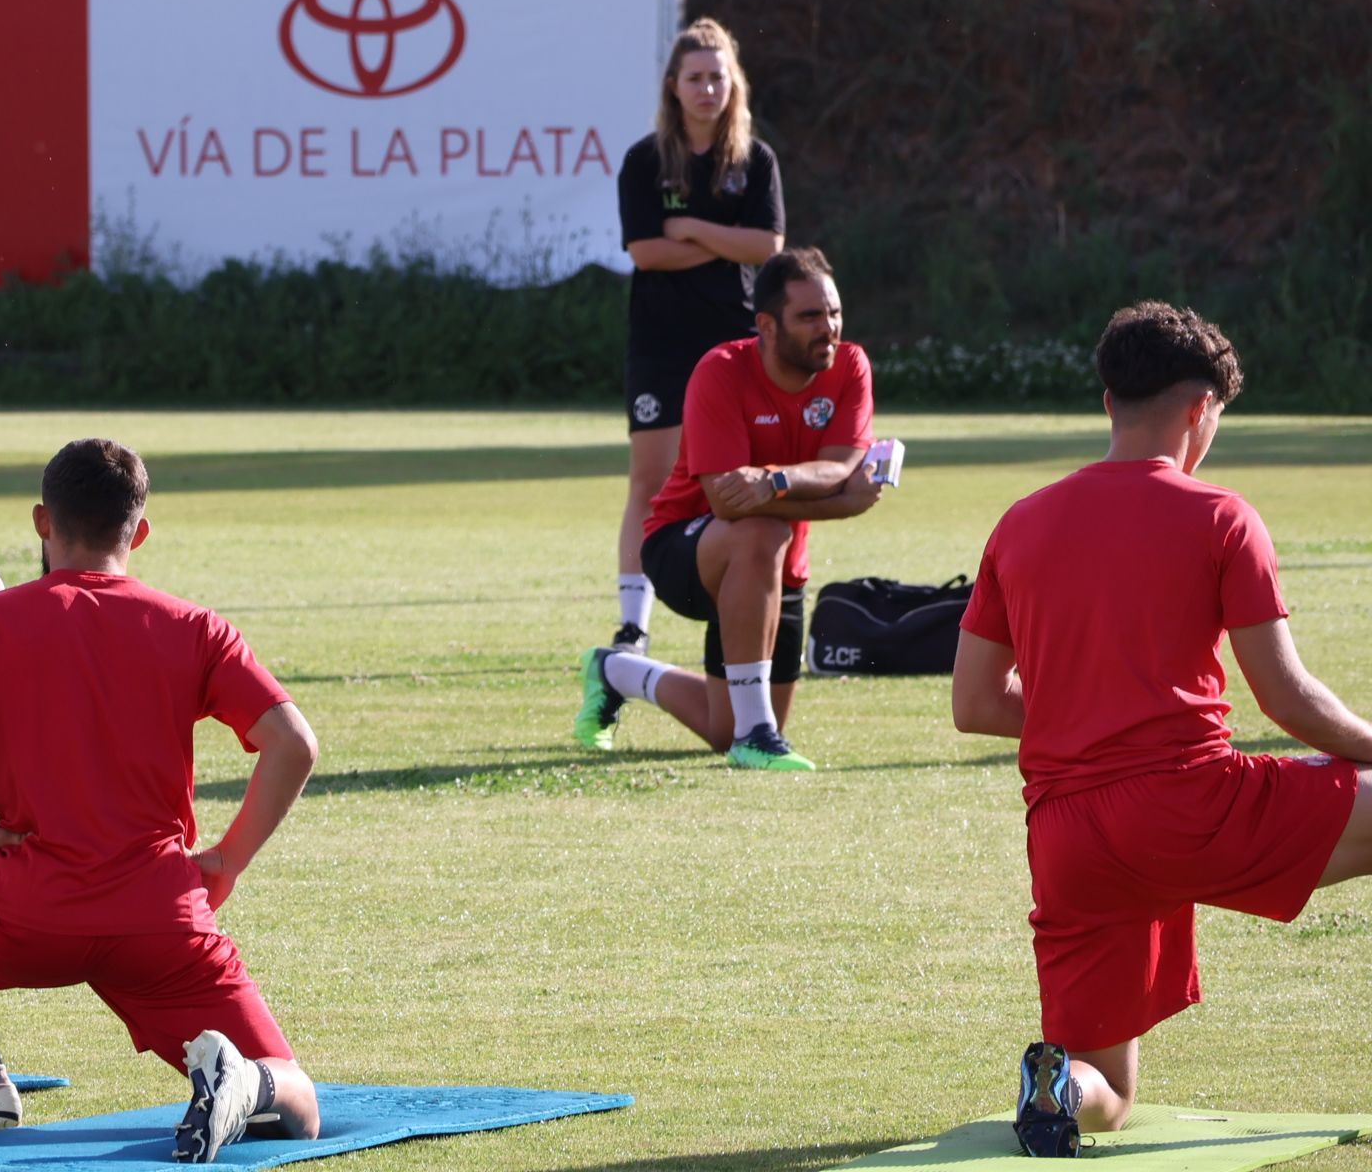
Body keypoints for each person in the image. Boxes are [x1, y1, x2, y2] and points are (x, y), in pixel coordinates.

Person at [952, 303, 1372, 1158]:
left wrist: (1090, 708)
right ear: (1200, 410)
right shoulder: (1220, 516)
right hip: (1187, 804)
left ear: (1109, 401)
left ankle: (1056, 1086)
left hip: (1069, 838)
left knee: (1111, 1090)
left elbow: (978, 704)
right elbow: (1286, 699)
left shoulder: (1021, 522)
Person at [0, 438, 322, 1164]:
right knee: (298, 1101)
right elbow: (294, 743)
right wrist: (227, 859)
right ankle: (245, 1085)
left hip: (24, 912)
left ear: (44, 522)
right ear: (138, 533)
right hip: (158, 919)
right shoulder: (195, 626)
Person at [573, 247, 879, 771]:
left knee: (721, 727)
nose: (828, 327)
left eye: (833, 313)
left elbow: (842, 470)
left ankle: (617, 672)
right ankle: (755, 736)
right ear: (766, 325)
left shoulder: (850, 364)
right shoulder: (720, 371)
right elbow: (726, 502)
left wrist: (776, 481)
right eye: (810, 316)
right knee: (759, 531)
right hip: (681, 546)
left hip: (776, 565)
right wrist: (834, 495)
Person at [611, 20, 783, 655]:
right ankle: (633, 622)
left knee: (735, 478)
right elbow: (646, 252)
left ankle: (736, 598)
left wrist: (691, 229)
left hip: (734, 344)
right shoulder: (645, 160)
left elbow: (766, 246)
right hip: (660, 342)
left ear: (733, 83)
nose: (708, 88)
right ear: (674, 87)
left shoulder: (754, 160)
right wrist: (718, 238)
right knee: (650, 482)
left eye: (718, 76)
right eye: (695, 77)